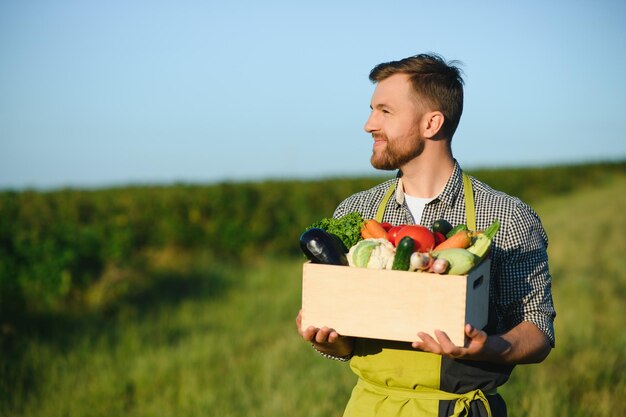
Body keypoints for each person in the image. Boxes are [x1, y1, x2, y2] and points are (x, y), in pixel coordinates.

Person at [295, 53, 556, 417]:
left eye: (385, 111)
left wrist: (487, 347)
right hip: (370, 407)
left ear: (432, 123)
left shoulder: (508, 216)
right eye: (372, 110)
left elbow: (538, 329)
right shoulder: (357, 212)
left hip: (459, 409)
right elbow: (348, 341)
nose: (369, 124)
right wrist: (330, 341)